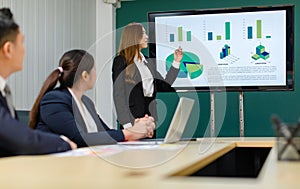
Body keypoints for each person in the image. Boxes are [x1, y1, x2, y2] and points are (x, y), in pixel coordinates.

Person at [30, 49, 155, 148]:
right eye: (94, 69)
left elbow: (106, 133)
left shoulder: (87, 103)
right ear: (85, 75)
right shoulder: (54, 100)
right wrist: (131, 132)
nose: (95, 73)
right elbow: (80, 137)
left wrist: (138, 128)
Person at [0, 8, 77, 157]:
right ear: (8, 49)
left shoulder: (4, 92)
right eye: (22, 42)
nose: (24, 49)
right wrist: (63, 143)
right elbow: (21, 140)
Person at [112, 22, 183, 130]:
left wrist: (176, 62)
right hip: (132, 120)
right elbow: (118, 95)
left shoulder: (148, 62)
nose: (147, 37)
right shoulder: (121, 61)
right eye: (143, 33)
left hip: (150, 118)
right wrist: (126, 124)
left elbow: (164, 85)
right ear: (134, 37)